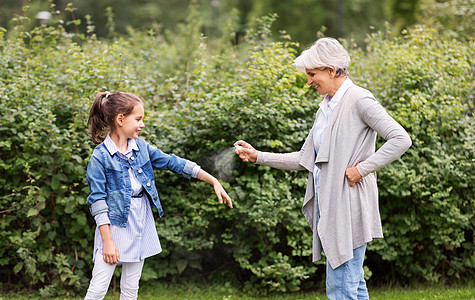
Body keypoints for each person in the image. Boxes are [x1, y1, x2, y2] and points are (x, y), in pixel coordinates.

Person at [234, 37, 411, 299]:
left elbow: (401, 139)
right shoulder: (325, 109)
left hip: (348, 206)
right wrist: (258, 156)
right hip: (330, 206)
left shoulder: (359, 99)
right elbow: (305, 158)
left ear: (331, 69)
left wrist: (362, 169)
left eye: (312, 74)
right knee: (353, 284)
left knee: (341, 288)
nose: (308, 81)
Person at [84, 91, 233, 300]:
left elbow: (175, 163)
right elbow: (98, 201)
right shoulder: (100, 157)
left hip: (140, 222)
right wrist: (107, 241)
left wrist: (213, 180)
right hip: (113, 227)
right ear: (120, 119)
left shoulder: (141, 148)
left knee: (130, 288)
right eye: (138, 119)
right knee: (98, 288)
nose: (142, 124)